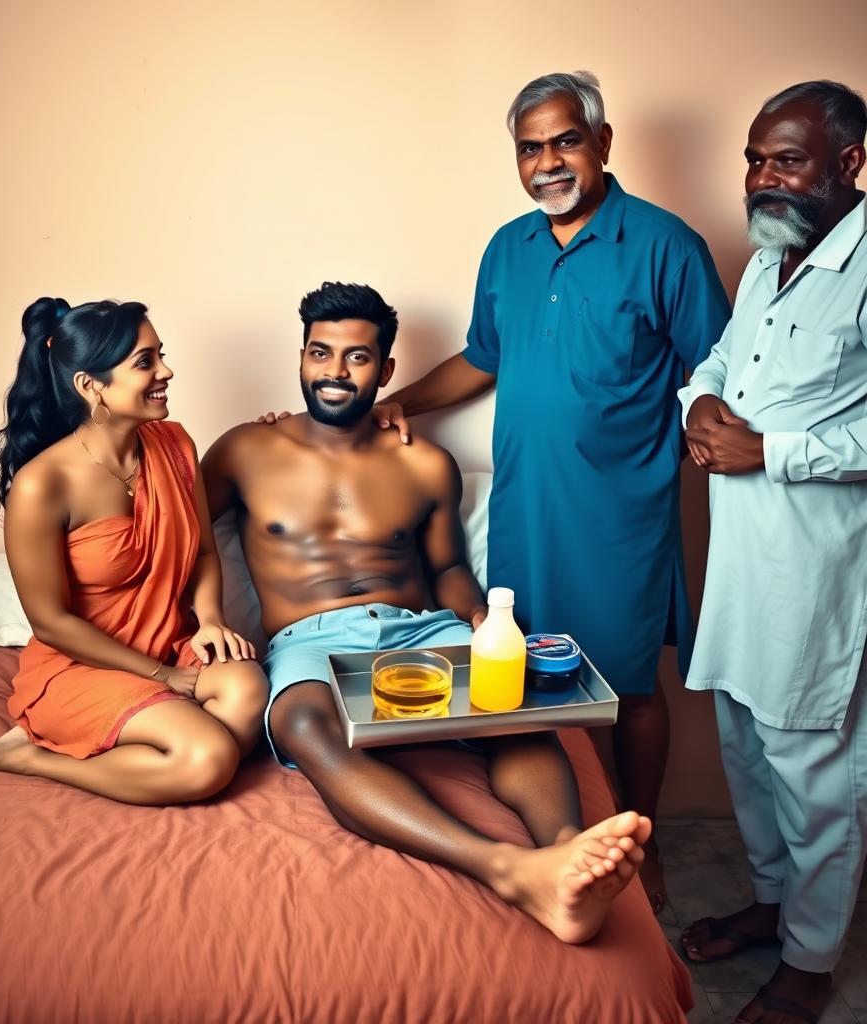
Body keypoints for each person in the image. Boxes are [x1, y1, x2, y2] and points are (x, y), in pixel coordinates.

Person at [265, 72, 730, 911]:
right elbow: (483, 357)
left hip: (621, 508)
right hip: (525, 507)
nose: (548, 162)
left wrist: (722, 436)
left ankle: (640, 835)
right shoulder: (507, 248)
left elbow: (720, 372)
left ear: (603, 144)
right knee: (529, 674)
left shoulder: (666, 246)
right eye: (530, 148)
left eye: (565, 141)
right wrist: (402, 400)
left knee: (623, 684)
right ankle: (568, 841)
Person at [204, 281, 651, 944]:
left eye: (355, 358)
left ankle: (565, 854)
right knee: (300, 718)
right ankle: (506, 868)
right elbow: (183, 539)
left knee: (516, 709)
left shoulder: (425, 464)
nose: (333, 371)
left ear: (385, 371)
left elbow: (445, 569)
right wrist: (208, 615)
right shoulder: (243, 450)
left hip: (419, 628)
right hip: (309, 640)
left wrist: (476, 617)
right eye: (319, 353)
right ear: (300, 359)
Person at [677, 80, 867, 1024]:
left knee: (812, 769)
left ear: (851, 163)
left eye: (785, 159)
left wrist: (772, 450)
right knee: (745, 745)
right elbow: (718, 360)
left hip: (819, 568)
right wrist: (700, 405)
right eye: (755, 159)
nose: (761, 178)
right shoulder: (768, 257)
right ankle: (769, 902)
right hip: (741, 557)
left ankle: (811, 960)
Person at [0, 297, 267, 804]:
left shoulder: (175, 445)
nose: (166, 371)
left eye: (161, 355)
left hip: (168, 642)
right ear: (91, 386)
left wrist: (212, 620)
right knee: (209, 759)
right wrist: (166, 678)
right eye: (145, 363)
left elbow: (202, 553)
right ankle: (29, 757)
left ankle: (164, 742)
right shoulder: (43, 484)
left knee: (249, 694)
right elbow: (51, 623)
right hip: (81, 667)